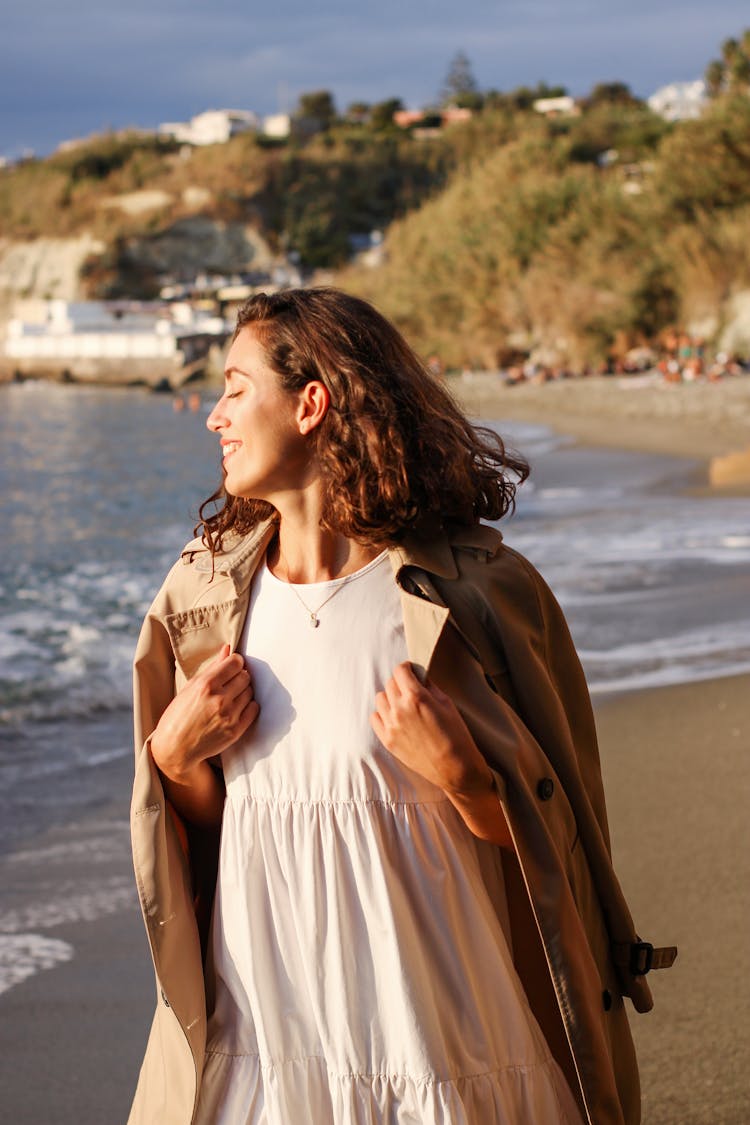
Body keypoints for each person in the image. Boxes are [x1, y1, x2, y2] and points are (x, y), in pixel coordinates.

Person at [129, 288, 673, 1125]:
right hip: (271, 1039)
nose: (214, 417)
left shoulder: (475, 597)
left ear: (311, 403)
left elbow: (559, 844)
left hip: (437, 1041)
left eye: (235, 388)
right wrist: (172, 756)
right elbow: (200, 832)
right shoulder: (200, 598)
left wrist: (463, 779)